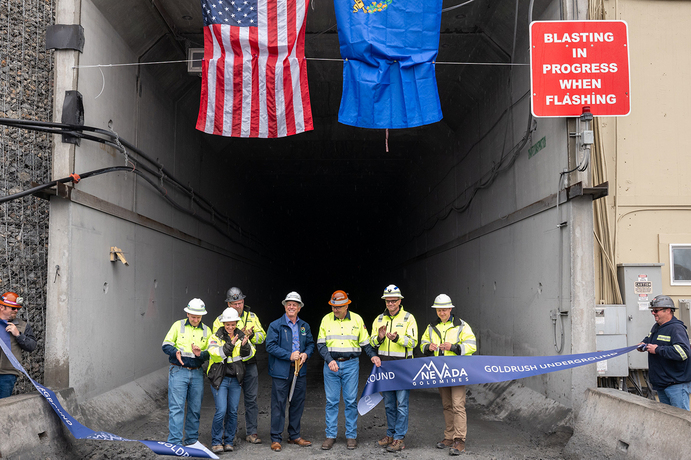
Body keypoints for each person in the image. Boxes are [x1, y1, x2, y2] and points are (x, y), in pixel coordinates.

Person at [317, 290, 381, 451]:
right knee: (331, 401)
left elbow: (365, 343)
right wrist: (329, 360)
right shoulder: (326, 320)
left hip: (351, 365)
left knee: (351, 401)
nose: (334, 309)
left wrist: (372, 356)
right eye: (333, 306)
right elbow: (321, 344)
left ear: (346, 306)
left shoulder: (357, 320)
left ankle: (351, 436)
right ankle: (330, 436)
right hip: (331, 365)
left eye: (338, 307)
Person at [420, 294, 477, 455]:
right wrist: (427, 348)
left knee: (458, 405)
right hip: (441, 371)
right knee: (447, 405)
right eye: (439, 310)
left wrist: (454, 347)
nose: (442, 313)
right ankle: (449, 437)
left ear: (450, 309)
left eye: (444, 310)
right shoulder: (431, 327)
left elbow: (471, 345)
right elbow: (423, 343)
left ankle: (460, 440)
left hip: (457, 371)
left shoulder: (461, 326)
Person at [212, 287, 266, 444]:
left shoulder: (252, 317)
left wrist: (252, 335)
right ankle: (230, 434)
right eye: (234, 304)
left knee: (251, 398)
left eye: (240, 303)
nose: (238, 306)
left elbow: (263, 337)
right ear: (228, 304)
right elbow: (216, 341)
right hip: (230, 366)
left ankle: (252, 432)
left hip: (248, 364)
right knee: (230, 402)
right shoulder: (219, 319)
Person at [369, 284, 418, 452]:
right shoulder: (379, 319)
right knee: (389, 403)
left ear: (400, 300)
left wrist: (397, 338)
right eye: (387, 301)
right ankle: (390, 434)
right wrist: (380, 337)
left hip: (403, 366)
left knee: (402, 404)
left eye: (393, 301)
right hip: (385, 366)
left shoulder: (408, 318)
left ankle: (399, 438)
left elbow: (413, 342)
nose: (390, 304)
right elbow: (372, 342)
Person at [265, 291, 315, 452]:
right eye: (289, 304)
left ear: (299, 308)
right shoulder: (275, 325)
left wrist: (306, 353)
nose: (291, 306)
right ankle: (276, 438)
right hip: (281, 371)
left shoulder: (304, 326)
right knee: (279, 404)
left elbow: (311, 344)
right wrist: (289, 356)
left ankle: (294, 435)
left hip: (299, 371)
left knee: (297, 404)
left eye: (295, 304)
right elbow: (270, 346)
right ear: (285, 306)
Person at [161, 298, 211, 446]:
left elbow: (211, 352)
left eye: (199, 317)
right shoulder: (178, 325)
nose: (196, 319)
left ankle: (191, 441)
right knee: (177, 409)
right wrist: (174, 351)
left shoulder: (207, 331)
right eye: (193, 316)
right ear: (188, 313)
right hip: (179, 371)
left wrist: (200, 355)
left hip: (196, 373)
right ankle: (175, 442)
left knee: (195, 409)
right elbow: (165, 344)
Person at [207, 307, 256, 453]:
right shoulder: (215, 337)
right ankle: (216, 442)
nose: (230, 327)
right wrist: (230, 345)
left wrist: (245, 346)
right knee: (221, 410)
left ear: (236, 323)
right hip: (220, 379)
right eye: (227, 324)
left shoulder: (242, 336)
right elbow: (215, 354)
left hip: (235, 380)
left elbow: (250, 355)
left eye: (233, 324)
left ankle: (228, 441)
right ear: (223, 323)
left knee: (233, 411)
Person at [638, 294, 691, 410]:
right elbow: (650, 339)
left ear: (668, 311)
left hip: (676, 385)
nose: (653, 313)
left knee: (681, 420)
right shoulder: (657, 327)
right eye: (652, 311)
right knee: (668, 420)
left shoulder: (676, 329)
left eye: (656, 311)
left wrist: (657, 349)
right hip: (662, 384)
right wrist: (643, 344)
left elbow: (683, 352)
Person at [0, 291, 37, 398]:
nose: (16, 311)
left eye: (18, 308)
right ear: (2, 307)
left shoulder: (22, 326)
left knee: (3, 408)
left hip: (7, 374)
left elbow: (32, 346)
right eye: (13, 308)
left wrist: (18, 335)